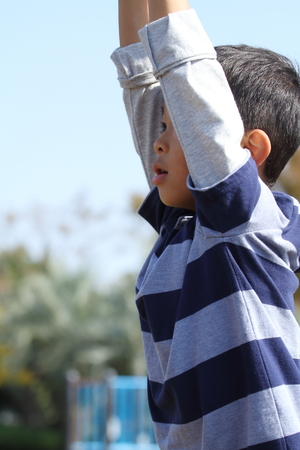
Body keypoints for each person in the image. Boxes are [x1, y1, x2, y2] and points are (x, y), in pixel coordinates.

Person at [111, 0, 300, 448]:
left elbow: (186, 69)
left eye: (177, 128)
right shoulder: (183, 223)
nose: (156, 143)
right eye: (161, 126)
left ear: (248, 150)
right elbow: (141, 76)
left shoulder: (241, 225)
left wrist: (188, 93)